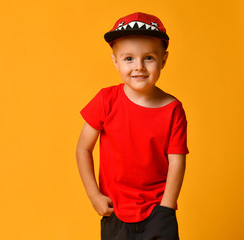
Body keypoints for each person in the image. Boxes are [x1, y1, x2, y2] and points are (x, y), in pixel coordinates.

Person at [76, 12, 189, 240]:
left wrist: (166, 207)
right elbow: (83, 149)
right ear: (115, 61)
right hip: (115, 212)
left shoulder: (173, 109)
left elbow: (177, 161)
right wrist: (94, 195)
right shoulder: (105, 101)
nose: (139, 67)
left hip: (158, 210)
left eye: (148, 57)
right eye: (129, 59)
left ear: (163, 60)